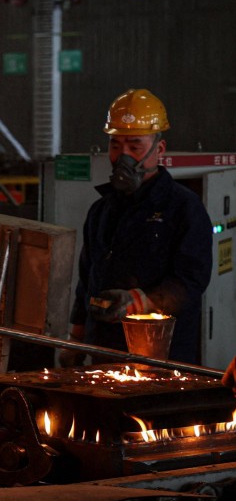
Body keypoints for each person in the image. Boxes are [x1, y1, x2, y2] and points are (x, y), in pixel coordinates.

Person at [66, 88, 212, 366]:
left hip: (160, 355)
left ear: (159, 149)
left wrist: (140, 302)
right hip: (104, 352)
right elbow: (87, 280)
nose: (124, 157)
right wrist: (75, 339)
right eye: (116, 146)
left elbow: (191, 280)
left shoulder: (183, 208)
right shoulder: (101, 210)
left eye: (135, 147)